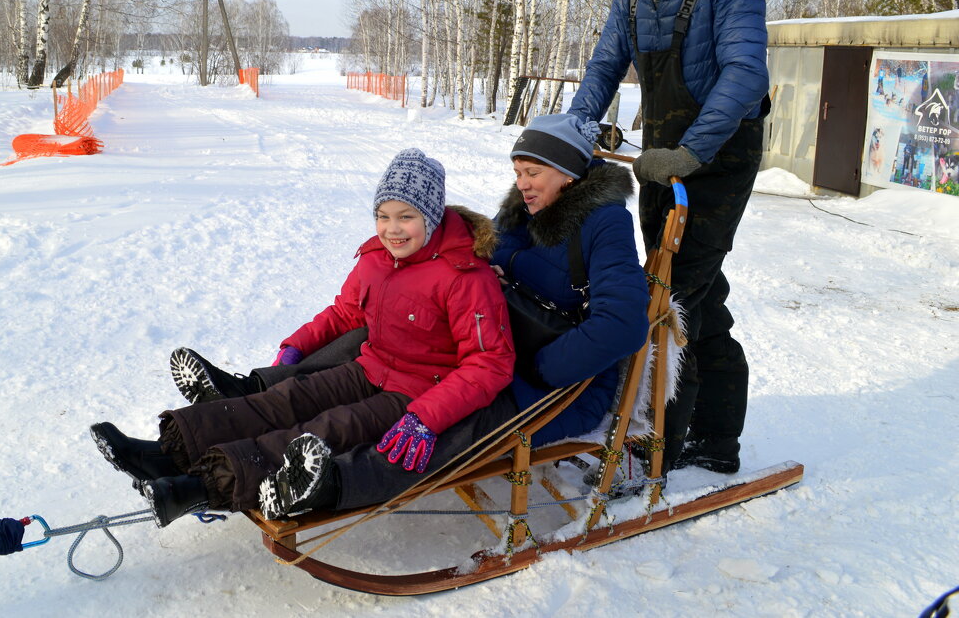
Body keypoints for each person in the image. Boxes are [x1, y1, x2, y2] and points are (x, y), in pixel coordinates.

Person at [170, 115, 651, 519]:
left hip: (554, 384)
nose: (521, 182)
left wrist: (537, 368)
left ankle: (329, 483)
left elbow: (622, 325)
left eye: (532, 172)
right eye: (518, 171)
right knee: (377, 331)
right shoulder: (523, 212)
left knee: (445, 418)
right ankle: (253, 393)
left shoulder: (604, 222)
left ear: (567, 173)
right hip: (486, 346)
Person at [89, 148, 515, 525]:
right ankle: (163, 454)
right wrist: (297, 345)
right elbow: (346, 312)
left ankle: (195, 488)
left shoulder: (465, 276)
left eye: (406, 217)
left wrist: (426, 417)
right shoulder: (377, 259)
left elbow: (489, 363)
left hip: (417, 394)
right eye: (383, 216)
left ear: (432, 216)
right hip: (369, 367)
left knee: (328, 429)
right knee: (281, 399)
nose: (392, 229)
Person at [566, 0, 770, 475]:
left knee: (670, 298)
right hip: (660, 156)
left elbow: (743, 73)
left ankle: (657, 450)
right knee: (689, 290)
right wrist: (573, 133)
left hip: (721, 153)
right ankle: (718, 437)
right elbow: (605, 65)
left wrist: (693, 152)